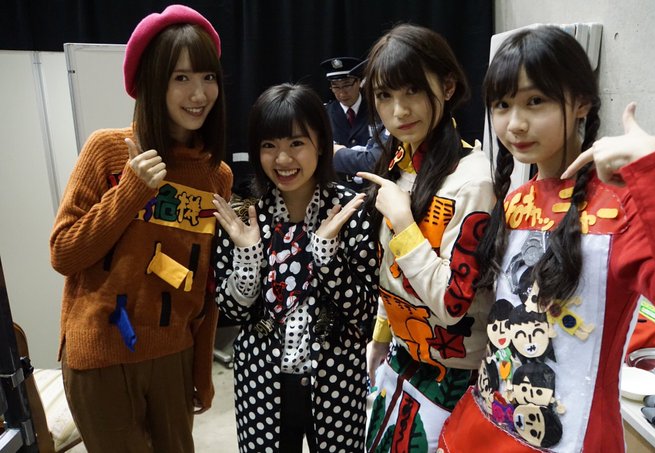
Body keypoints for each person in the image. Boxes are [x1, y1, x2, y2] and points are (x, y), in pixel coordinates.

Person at [437, 25, 655, 452]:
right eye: (502, 104)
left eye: (535, 101)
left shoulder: (620, 207)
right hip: (487, 420)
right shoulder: (516, 201)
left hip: (572, 437)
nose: (515, 124)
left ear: (581, 102)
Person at [49, 5, 232, 452]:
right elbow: (64, 253)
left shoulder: (217, 176)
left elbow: (206, 283)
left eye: (208, 76)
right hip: (102, 355)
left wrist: (201, 369)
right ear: (153, 81)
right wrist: (131, 190)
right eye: (181, 77)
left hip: (173, 353)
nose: (199, 93)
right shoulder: (109, 150)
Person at [212, 83, 379, 452]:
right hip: (261, 379)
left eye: (296, 143)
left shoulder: (350, 210)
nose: (283, 159)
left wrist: (327, 256)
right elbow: (231, 310)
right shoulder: (244, 212)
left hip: (336, 379)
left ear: (320, 144)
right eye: (269, 145)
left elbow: (364, 312)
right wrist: (248, 257)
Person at [356, 24, 496, 452]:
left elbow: (453, 304)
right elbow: (391, 268)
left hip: (454, 374)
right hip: (403, 357)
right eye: (384, 96)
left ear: (447, 86)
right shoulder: (399, 162)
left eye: (413, 90)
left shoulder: (473, 180)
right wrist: (381, 335)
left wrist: (403, 223)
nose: (398, 110)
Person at [321, 56, 371, 148]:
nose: (342, 93)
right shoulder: (325, 114)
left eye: (347, 85)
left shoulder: (375, 109)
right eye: (336, 87)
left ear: (359, 82)